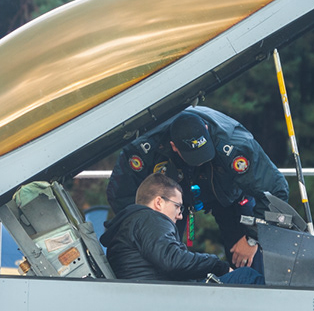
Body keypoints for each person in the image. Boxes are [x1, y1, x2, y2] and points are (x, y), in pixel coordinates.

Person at [106, 107, 291, 267]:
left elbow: (276, 189)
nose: (200, 160)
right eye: (193, 156)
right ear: (174, 146)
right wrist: (144, 230)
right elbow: (121, 195)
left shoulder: (235, 144)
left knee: (248, 260)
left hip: (229, 194)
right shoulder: (145, 147)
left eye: (204, 153)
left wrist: (252, 237)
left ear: (207, 130)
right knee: (161, 256)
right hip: (173, 197)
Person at [102, 173, 262, 285]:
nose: (180, 215)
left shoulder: (133, 223)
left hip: (156, 294)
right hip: (166, 298)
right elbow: (172, 261)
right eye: (178, 206)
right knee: (246, 276)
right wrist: (217, 265)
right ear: (159, 203)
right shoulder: (150, 218)